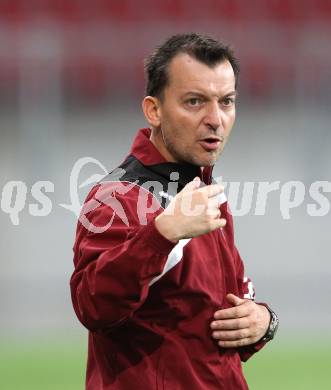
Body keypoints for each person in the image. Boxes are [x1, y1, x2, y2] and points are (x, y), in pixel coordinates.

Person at [70, 33, 279, 390]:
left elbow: (226, 307)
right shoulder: (119, 197)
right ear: (154, 110)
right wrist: (162, 235)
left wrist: (261, 321)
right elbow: (93, 305)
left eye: (226, 102)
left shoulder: (203, 192)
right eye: (195, 102)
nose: (216, 119)